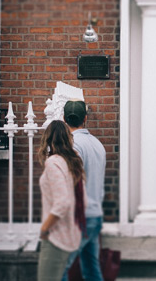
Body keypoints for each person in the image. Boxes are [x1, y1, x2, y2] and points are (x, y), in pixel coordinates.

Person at [61, 100, 106, 281]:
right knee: (91, 269)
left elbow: (71, 181)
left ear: (64, 118)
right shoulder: (97, 145)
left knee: (59, 268)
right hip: (95, 214)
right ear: (85, 118)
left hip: (80, 216)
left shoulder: (73, 146)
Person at [38, 120, 86, 281]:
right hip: (72, 234)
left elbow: (62, 203)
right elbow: (83, 200)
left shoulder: (53, 163)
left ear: (48, 138)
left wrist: (45, 228)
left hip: (56, 237)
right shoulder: (74, 161)